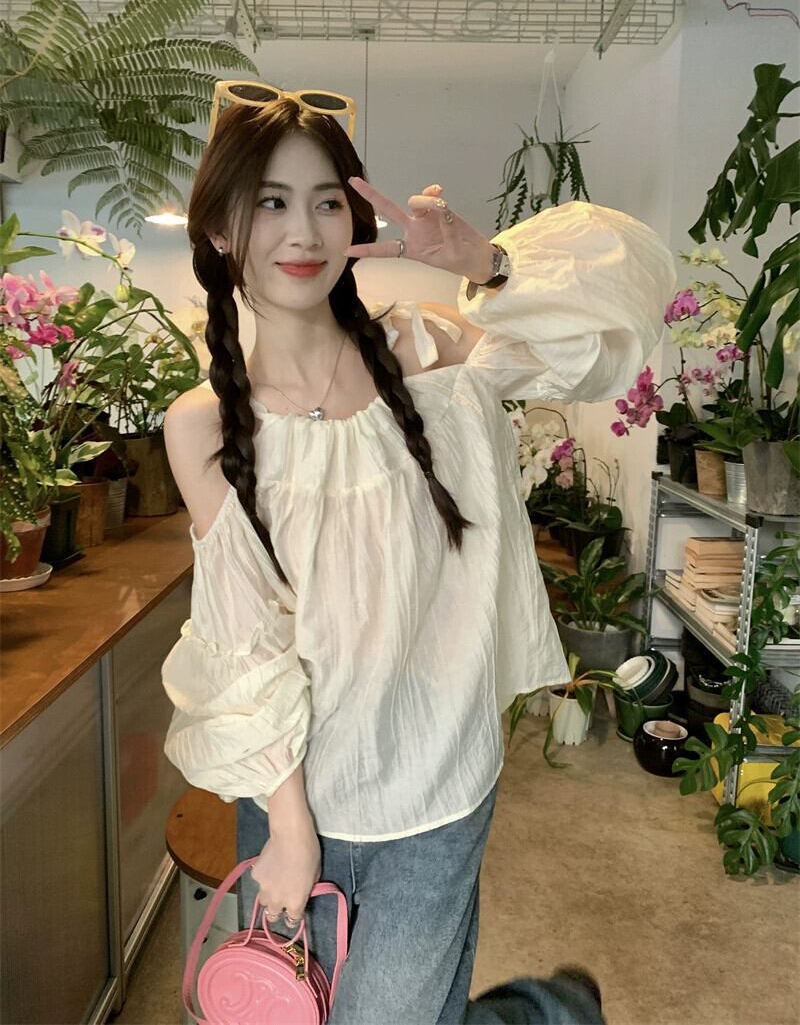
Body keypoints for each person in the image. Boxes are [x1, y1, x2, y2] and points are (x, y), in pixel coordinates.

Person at [161, 87, 676, 1024]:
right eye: (271, 202)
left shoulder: (431, 356)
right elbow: (242, 642)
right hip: (296, 793)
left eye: (326, 201)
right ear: (223, 229)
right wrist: (289, 824)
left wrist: (486, 264)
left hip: (438, 780)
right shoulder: (204, 426)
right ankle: (543, 1013)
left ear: (354, 220)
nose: (303, 230)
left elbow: (609, 337)